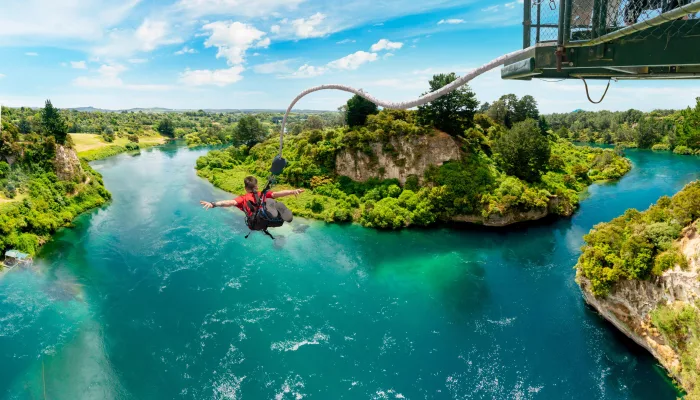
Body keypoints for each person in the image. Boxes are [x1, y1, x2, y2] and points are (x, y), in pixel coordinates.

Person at [200, 176, 303, 223]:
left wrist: (213, 204)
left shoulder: (243, 198)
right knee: (272, 201)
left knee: (270, 203)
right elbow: (277, 194)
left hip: (256, 223)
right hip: (270, 220)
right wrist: (292, 191)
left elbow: (229, 202)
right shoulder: (263, 194)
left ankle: (275, 211)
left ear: (245, 188)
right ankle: (279, 214)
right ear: (256, 187)